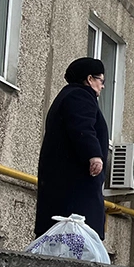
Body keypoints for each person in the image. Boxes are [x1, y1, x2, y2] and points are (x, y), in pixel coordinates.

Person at [35, 58, 110, 240]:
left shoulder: (67, 96)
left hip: (61, 191)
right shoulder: (80, 96)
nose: (103, 86)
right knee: (78, 242)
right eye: (101, 80)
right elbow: (82, 126)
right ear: (90, 79)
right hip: (75, 194)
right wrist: (94, 155)